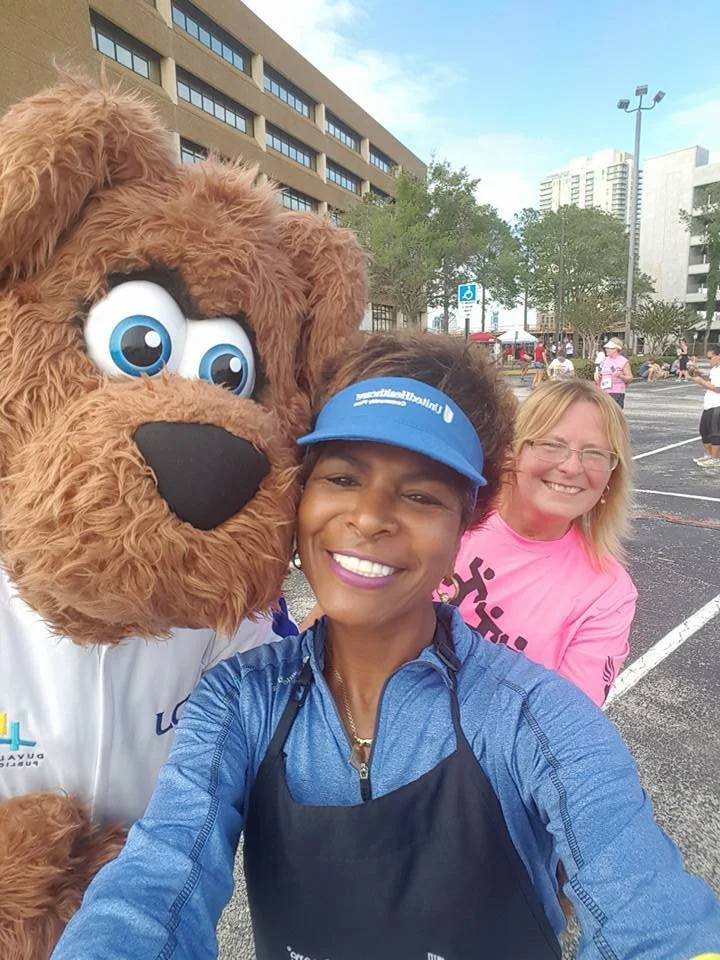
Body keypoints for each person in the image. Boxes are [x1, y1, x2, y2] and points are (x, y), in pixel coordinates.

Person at [52, 333, 720, 960]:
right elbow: (158, 880)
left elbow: (650, 901)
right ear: (300, 495)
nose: (371, 517)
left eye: (421, 494)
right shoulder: (239, 699)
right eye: (342, 477)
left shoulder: (533, 716)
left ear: (466, 528)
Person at [438, 379, 636, 706]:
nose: (572, 466)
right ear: (514, 451)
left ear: (610, 479)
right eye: (551, 444)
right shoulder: (453, 518)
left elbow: (566, 722)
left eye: (595, 453)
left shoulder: (608, 593)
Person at [690, 344, 720, 468]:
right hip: (709, 404)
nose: (709, 360)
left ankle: (715, 458)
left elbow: (718, 388)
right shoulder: (714, 369)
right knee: (704, 431)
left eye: (710, 357)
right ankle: (708, 455)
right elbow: (710, 382)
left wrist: (701, 382)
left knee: (715, 432)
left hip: (717, 405)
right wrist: (697, 374)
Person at [595, 337, 632, 409]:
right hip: (604, 391)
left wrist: (621, 376)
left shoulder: (623, 361)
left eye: (608, 348)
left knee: (614, 414)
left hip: (616, 391)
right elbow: (602, 373)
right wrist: (598, 375)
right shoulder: (605, 360)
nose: (606, 349)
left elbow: (630, 378)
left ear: (615, 349)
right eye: (606, 348)